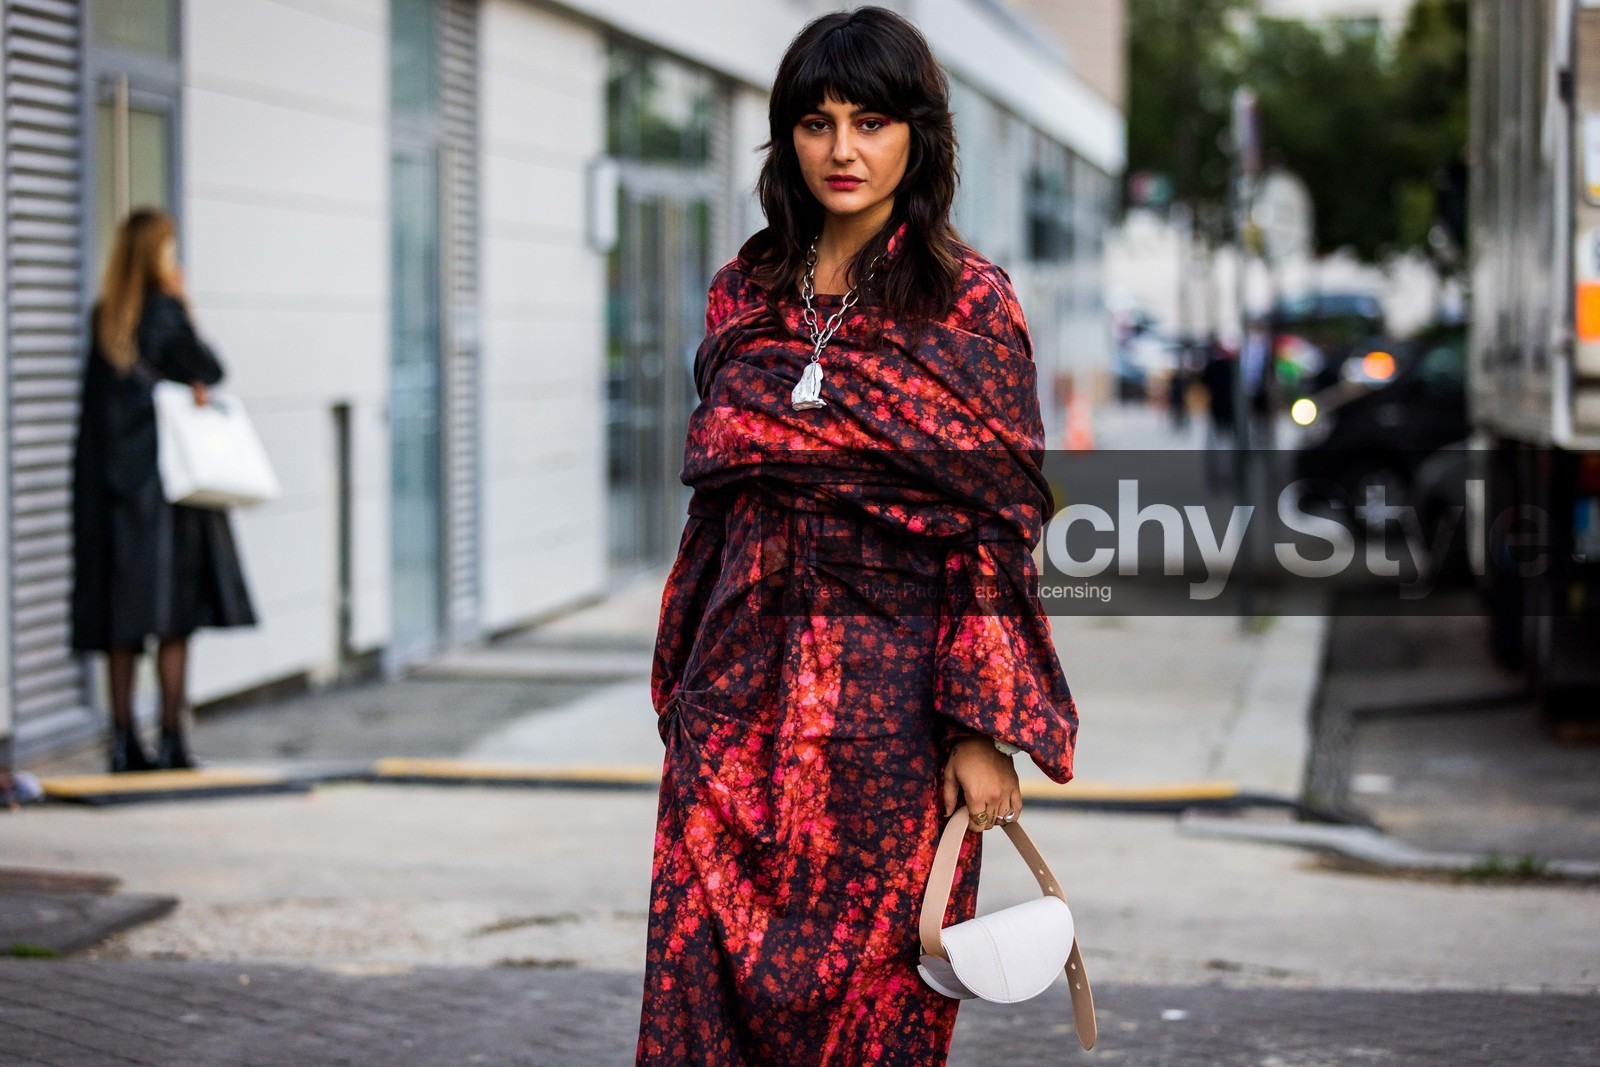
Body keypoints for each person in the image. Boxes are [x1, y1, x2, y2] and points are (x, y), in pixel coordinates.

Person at [635, 8, 1080, 1063]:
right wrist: (685, 683)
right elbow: (715, 505)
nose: (842, 150)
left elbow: (993, 528)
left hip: (890, 722)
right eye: (816, 122)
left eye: (871, 122)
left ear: (918, 135)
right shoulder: (746, 291)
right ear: (784, 137)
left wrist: (981, 727)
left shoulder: (970, 305)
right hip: (735, 700)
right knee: (702, 992)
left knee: (875, 1010)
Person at [70, 208, 258, 774]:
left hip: (114, 496)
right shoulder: (166, 313)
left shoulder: (107, 318)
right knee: (175, 619)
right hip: (172, 496)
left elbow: (94, 418)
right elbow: (211, 367)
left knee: (120, 624)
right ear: (157, 256)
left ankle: (123, 742)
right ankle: (173, 738)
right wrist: (184, 306)